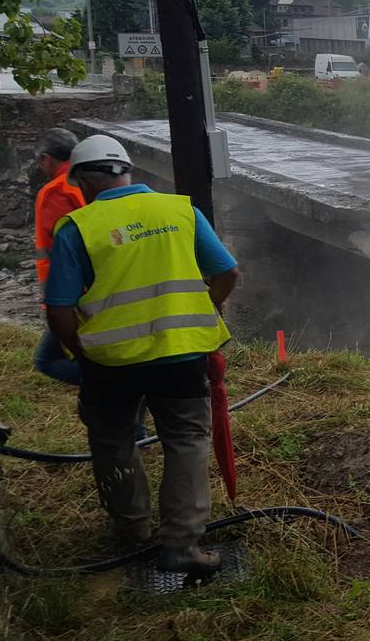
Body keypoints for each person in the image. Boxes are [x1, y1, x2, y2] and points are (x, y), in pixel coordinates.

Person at [44, 135, 240, 575]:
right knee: (187, 441)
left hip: (109, 362)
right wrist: (207, 304)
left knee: (112, 442)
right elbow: (226, 272)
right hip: (181, 355)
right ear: (128, 171)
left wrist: (82, 351)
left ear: (81, 181)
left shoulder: (79, 228)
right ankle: (182, 545)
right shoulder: (180, 211)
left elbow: (58, 308)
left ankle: (130, 532)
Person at [30, 128, 84, 384]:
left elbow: (62, 250)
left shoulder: (54, 193)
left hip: (71, 295)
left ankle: (115, 386)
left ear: (46, 159)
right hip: (101, 288)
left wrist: (58, 302)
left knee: (47, 360)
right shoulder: (89, 181)